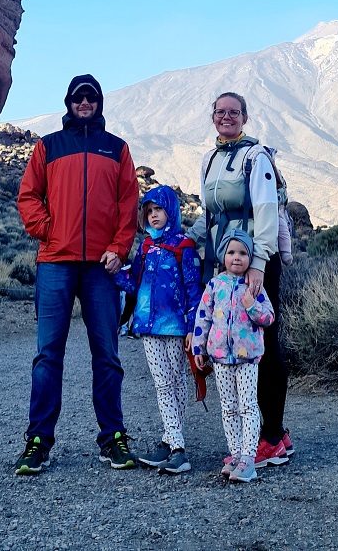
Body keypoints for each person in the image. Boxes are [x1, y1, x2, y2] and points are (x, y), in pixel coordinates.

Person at [14, 74, 139, 475]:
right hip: (55, 261)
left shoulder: (117, 149)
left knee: (107, 355)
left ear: (99, 103)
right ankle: (38, 442)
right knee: (48, 355)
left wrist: (119, 249)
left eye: (92, 97)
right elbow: (28, 196)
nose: (85, 103)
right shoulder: (48, 147)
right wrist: (49, 229)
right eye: (78, 97)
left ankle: (112, 438)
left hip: (101, 267)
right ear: (68, 102)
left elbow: (127, 204)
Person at [199, 90, 292, 466]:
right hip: (225, 265)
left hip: (255, 263)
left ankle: (271, 436)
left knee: (264, 341)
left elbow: (267, 210)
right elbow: (209, 213)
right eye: (220, 112)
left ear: (245, 117)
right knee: (236, 342)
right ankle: (254, 437)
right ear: (213, 117)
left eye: (234, 112)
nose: (227, 117)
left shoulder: (256, 158)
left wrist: (259, 262)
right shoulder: (210, 159)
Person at [114, 184, 203, 475]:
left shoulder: (184, 248)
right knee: (165, 383)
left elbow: (193, 290)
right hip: (149, 327)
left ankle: (177, 447)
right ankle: (171, 441)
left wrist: (193, 327)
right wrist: (113, 273)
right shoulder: (147, 247)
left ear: (171, 211)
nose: (153, 215)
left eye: (159, 209)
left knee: (173, 383)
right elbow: (136, 281)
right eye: (149, 211)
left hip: (176, 327)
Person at [191, 229, 275, 482]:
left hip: (247, 358)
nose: (236, 258)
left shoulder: (255, 286)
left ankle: (249, 458)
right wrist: (199, 348)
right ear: (222, 255)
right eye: (231, 252)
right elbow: (202, 317)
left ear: (250, 257)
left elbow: (268, 317)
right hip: (219, 357)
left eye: (242, 253)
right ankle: (236, 454)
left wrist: (251, 304)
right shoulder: (215, 285)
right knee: (228, 408)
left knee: (247, 406)